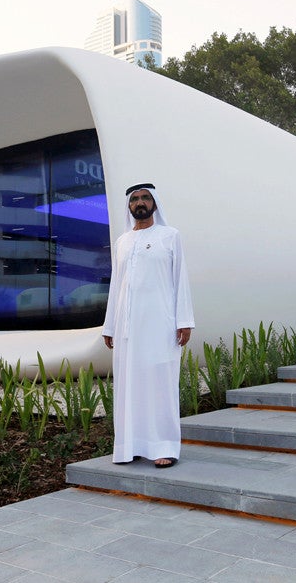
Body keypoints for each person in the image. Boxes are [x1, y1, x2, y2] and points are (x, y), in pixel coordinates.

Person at [102, 182, 194, 468]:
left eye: (145, 198)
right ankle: (132, 445)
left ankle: (165, 447)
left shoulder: (169, 236)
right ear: (129, 207)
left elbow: (181, 280)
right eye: (135, 199)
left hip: (160, 324)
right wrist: (110, 326)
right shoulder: (122, 241)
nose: (140, 203)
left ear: (154, 203)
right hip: (127, 327)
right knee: (131, 385)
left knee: (160, 384)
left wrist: (184, 321)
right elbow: (116, 285)